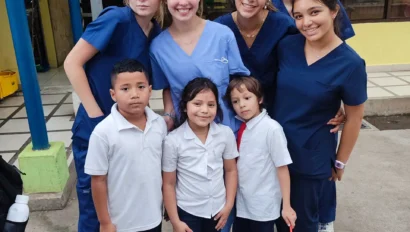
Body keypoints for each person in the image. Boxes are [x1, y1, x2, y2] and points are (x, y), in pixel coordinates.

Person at [214, 1, 344, 231]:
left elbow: (319, 56)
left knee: (293, 190)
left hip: (282, 118)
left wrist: (332, 98)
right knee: (247, 185)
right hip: (235, 122)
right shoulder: (219, 29)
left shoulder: (285, 25)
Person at [64, 0, 162, 230]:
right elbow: (72, 62)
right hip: (97, 127)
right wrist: (96, 115)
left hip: (131, 131)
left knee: (127, 200)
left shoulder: (155, 30)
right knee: (94, 204)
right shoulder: (116, 19)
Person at [272, 0, 367, 231]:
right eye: (299, 16)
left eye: (315, 12)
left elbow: (354, 118)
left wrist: (340, 162)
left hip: (310, 156)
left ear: (334, 11)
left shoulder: (350, 63)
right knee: (272, 216)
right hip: (274, 151)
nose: (307, 22)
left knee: (300, 222)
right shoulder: (287, 46)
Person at [84, 59, 166, 232]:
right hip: (122, 223)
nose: (134, 94)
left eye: (141, 87)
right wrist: (105, 222)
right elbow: (98, 180)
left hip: (153, 217)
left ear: (150, 90)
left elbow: (162, 169)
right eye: (125, 88)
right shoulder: (103, 132)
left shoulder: (159, 124)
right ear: (113, 94)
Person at [150, 0, 250, 133]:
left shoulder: (223, 35)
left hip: (228, 130)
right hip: (187, 136)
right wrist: (169, 116)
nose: (183, 3)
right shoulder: (158, 47)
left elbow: (239, 83)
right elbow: (167, 88)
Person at [162, 78, 238, 232]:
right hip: (188, 211)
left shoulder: (225, 134)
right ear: (184, 106)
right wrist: (176, 222)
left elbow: (231, 170)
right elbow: (168, 184)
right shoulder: (173, 140)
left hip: (218, 209)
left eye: (211, 105)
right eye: (197, 104)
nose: (204, 110)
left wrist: (228, 205)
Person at [224, 76, 297, 232]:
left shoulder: (272, 129)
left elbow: (282, 168)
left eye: (247, 98)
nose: (241, 105)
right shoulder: (241, 126)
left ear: (260, 99)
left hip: (263, 206)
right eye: (235, 101)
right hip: (242, 203)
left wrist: (287, 206)